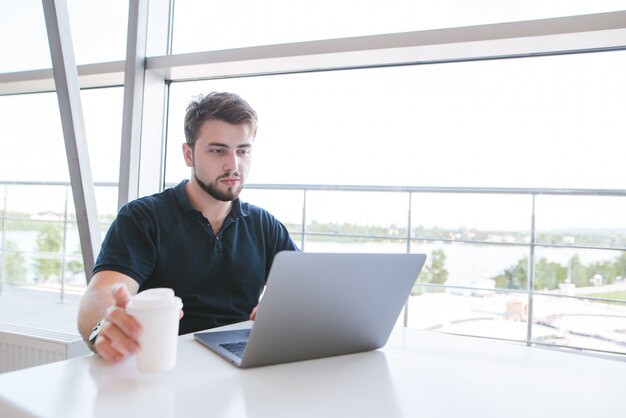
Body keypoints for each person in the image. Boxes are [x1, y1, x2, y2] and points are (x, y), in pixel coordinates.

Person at [77, 91, 299, 363]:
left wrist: (289, 307)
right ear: (188, 154)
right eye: (218, 151)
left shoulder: (264, 226)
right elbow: (100, 295)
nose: (233, 164)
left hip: (238, 369)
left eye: (242, 151)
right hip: (161, 364)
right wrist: (104, 330)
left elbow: (310, 289)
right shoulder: (143, 217)